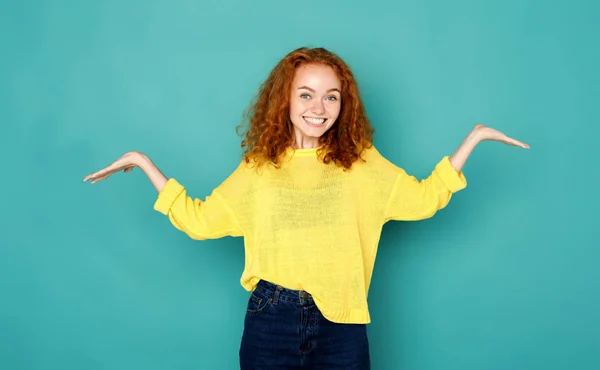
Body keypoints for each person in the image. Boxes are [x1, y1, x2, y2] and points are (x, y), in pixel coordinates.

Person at [83, 47, 529, 369]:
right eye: (306, 94)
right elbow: (201, 220)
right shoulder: (260, 166)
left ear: (343, 103)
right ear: (286, 99)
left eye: (331, 96)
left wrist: (471, 141)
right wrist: (143, 164)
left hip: (344, 324)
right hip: (270, 318)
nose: (319, 108)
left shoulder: (361, 162)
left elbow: (423, 198)